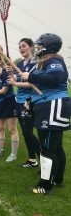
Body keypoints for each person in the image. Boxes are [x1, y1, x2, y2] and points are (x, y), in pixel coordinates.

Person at [21, 33, 71, 194]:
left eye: (40, 46)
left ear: (48, 47)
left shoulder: (54, 60)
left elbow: (55, 77)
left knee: (48, 149)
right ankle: (57, 179)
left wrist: (31, 75)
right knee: (55, 148)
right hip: (46, 105)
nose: (37, 48)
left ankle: (45, 185)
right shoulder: (42, 62)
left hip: (53, 105)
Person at [7, 38, 40, 167]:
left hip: (29, 102)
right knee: (26, 133)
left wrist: (15, 83)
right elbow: (15, 78)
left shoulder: (36, 63)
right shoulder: (20, 64)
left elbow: (32, 84)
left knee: (28, 132)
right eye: (19, 46)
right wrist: (10, 72)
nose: (21, 48)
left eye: (24, 46)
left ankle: (44, 160)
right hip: (19, 101)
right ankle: (32, 160)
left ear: (31, 47)